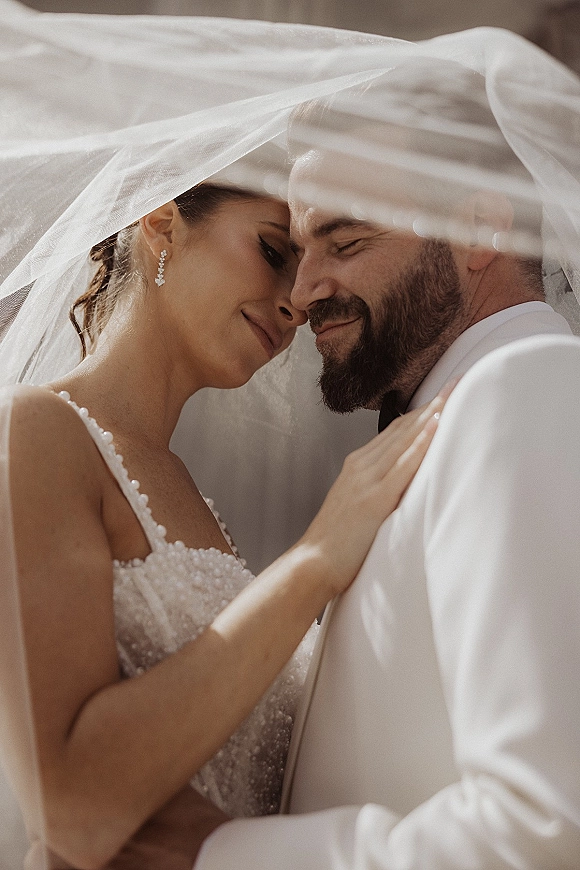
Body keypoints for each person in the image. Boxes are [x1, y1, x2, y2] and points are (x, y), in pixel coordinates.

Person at [187, 68, 580, 870]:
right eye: (298, 251)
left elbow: (545, 827)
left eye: (348, 240)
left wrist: (214, 855)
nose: (303, 290)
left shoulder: (525, 385)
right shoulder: (449, 415)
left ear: (478, 230)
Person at [0, 180, 446, 869]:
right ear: (161, 222)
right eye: (273, 251)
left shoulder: (194, 501)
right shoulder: (33, 431)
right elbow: (73, 811)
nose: (297, 303)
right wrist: (315, 561)